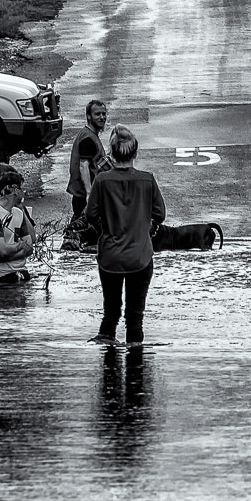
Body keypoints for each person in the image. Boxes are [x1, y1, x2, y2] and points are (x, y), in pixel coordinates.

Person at [85, 125, 166, 346]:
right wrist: (145, 226)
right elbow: (161, 214)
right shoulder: (147, 180)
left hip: (110, 256)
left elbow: (90, 214)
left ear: (111, 153)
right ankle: (135, 369)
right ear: (135, 153)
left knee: (110, 313)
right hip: (140, 256)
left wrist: (105, 228)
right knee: (135, 318)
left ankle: (108, 369)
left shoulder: (102, 181)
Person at [0, 170, 33, 283]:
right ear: (15, 190)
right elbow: (2, 251)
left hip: (21, 272)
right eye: (21, 189)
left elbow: (29, 247)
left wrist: (9, 257)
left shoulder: (18, 213)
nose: (23, 193)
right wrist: (19, 246)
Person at [67, 100, 109, 225]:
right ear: (89, 116)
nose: (102, 117)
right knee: (82, 227)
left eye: (103, 114)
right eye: (97, 114)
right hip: (84, 195)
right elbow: (83, 166)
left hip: (85, 194)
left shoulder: (90, 135)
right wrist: (89, 193)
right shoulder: (88, 138)